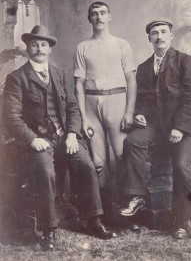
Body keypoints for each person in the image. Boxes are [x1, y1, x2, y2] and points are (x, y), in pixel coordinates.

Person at [3, 25, 117, 251]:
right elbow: (11, 117)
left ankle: (93, 220)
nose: (39, 49)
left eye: (43, 45)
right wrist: (32, 139)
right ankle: (48, 229)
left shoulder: (60, 74)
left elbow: (73, 107)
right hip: (38, 142)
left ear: (50, 49)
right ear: (27, 48)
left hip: (65, 137)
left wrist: (73, 134)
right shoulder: (17, 78)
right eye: (34, 44)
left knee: (86, 164)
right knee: (45, 172)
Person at [119, 18, 191, 239]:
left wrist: (180, 128)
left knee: (182, 167)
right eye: (155, 33)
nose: (159, 37)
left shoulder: (185, 61)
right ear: (149, 38)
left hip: (183, 129)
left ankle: (181, 222)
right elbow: (142, 100)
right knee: (132, 141)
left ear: (171, 36)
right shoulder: (145, 67)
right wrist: (139, 115)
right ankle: (137, 197)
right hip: (156, 128)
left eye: (163, 32)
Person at [74, 2, 137, 210]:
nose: (99, 17)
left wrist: (129, 111)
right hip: (91, 105)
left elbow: (131, 81)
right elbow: (78, 85)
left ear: (110, 16)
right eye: (94, 14)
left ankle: (127, 207)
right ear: (89, 19)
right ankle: (107, 209)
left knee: (121, 156)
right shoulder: (83, 47)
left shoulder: (122, 45)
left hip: (117, 102)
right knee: (98, 161)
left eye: (102, 13)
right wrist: (83, 117)